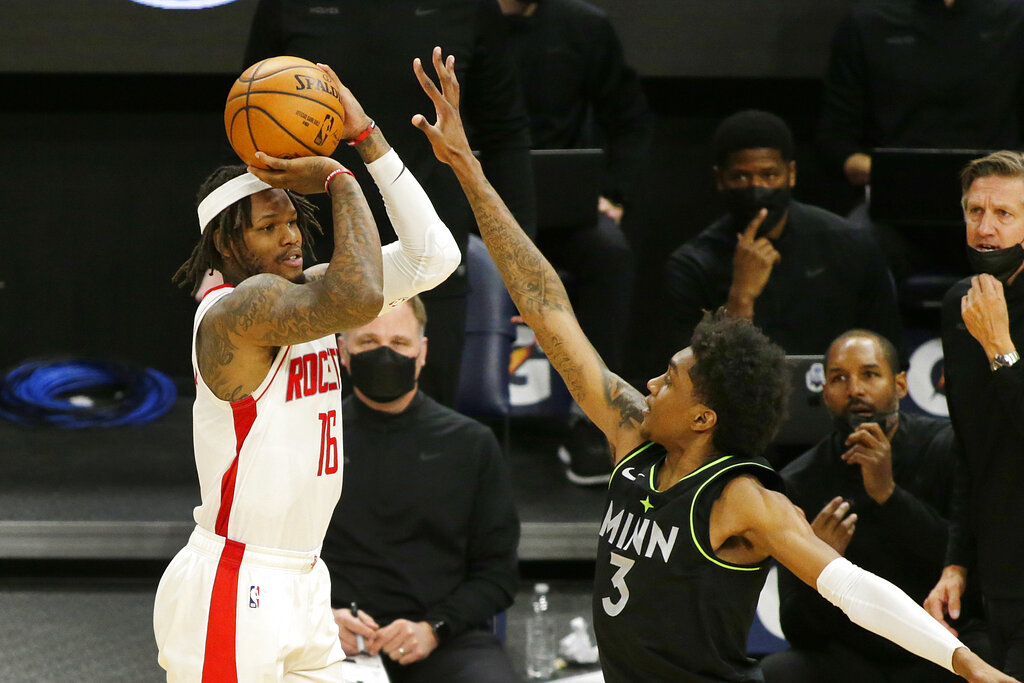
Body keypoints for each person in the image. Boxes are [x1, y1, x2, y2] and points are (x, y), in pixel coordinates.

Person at [413, 45, 1018, 683]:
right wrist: (467, 170)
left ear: (704, 415)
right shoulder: (633, 439)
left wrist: (968, 665)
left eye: (668, 378)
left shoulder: (742, 499)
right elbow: (545, 305)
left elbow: (856, 591)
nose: (649, 382)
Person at [153, 64, 460, 680]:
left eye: (292, 218)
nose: (292, 237)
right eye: (269, 228)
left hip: (304, 579)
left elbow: (436, 256)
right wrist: (339, 178)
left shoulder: (308, 293)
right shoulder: (235, 314)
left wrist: (366, 135)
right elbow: (355, 297)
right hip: (235, 585)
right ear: (224, 247)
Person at [245, 0, 537, 408]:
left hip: (426, 241)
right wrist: (233, 246)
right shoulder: (287, 7)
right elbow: (248, 136)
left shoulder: (472, 10)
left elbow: (505, 134)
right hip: (315, 248)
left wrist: (522, 268)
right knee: (311, 420)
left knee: (429, 418)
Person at [761, 329, 988, 683]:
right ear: (824, 394)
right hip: (851, 657)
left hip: (941, 645)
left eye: (869, 374)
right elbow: (797, 630)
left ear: (900, 385)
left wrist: (889, 496)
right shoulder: (798, 481)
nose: (854, 389)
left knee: (987, 652)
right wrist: (820, 568)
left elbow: (970, 572)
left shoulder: (947, 448)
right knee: (777, 673)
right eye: (839, 378)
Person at [324, 296, 520, 683]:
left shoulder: (471, 443)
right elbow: (272, 557)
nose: (384, 354)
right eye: (367, 342)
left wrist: (434, 628)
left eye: (399, 343)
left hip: (443, 639)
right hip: (327, 636)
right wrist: (318, 618)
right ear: (342, 352)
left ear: (422, 352)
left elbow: (497, 574)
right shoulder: (310, 439)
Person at [498, 0, 652, 486]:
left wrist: (615, 194)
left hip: (564, 211)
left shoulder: (584, 27)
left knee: (611, 253)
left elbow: (629, 119)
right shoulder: (458, 21)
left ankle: (596, 424)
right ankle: (460, 419)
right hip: (475, 209)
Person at [664, 109, 904, 360]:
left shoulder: (852, 245)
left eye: (768, 175)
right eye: (741, 176)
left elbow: (889, 355)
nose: (756, 188)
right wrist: (740, 298)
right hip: (741, 398)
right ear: (720, 179)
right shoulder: (692, 266)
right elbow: (690, 378)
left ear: (791, 174)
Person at [817, 0, 1024, 282]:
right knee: (849, 246)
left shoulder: (1015, 19)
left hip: (1000, 208)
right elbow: (836, 141)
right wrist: (900, 176)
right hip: (896, 218)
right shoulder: (867, 23)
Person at [926, 150, 1024, 677]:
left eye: (1004, 214)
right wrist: (956, 561)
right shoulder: (956, 305)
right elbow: (971, 448)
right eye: (974, 211)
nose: (985, 228)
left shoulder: (987, 327)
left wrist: (1001, 350)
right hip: (993, 575)